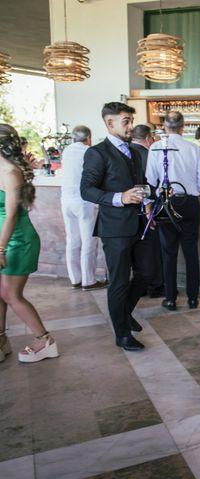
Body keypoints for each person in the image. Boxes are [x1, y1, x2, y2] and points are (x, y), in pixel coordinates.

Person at [80, 102, 156, 352]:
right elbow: (87, 190)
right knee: (120, 281)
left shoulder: (134, 152)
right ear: (109, 123)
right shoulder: (97, 153)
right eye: (126, 121)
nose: (131, 126)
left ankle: (124, 312)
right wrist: (119, 198)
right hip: (114, 228)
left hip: (139, 223)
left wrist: (146, 202)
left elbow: (141, 183)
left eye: (131, 121)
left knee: (146, 273)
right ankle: (122, 334)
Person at [0, 124, 59, 363]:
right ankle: (1, 340)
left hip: (17, 240)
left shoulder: (11, 173)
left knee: (11, 294)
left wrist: (1, 248)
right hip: (4, 236)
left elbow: (12, 214)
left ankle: (44, 341)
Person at [146, 111, 200, 311]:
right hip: (189, 202)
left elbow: (150, 180)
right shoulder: (193, 148)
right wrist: (193, 189)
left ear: (164, 125)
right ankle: (193, 298)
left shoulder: (156, 148)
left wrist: (148, 204)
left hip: (166, 202)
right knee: (191, 251)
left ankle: (171, 298)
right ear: (183, 127)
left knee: (168, 252)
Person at [60, 125, 107, 291]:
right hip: (84, 201)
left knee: (72, 239)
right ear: (89, 137)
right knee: (89, 240)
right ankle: (89, 280)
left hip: (66, 200)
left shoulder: (66, 151)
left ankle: (75, 278)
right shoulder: (90, 151)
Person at [130, 123, 165, 299]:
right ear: (148, 138)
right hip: (146, 206)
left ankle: (140, 286)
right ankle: (155, 285)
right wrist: (148, 206)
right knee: (151, 249)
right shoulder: (147, 154)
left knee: (137, 251)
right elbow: (149, 183)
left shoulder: (126, 152)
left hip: (130, 209)